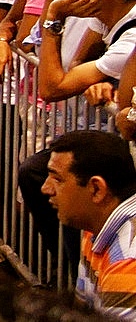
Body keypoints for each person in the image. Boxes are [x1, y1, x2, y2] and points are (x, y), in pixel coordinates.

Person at [44, 130, 136, 321]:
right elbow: (81, 311)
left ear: (96, 189)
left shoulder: (128, 265)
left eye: (57, 179)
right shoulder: (95, 226)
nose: (46, 188)